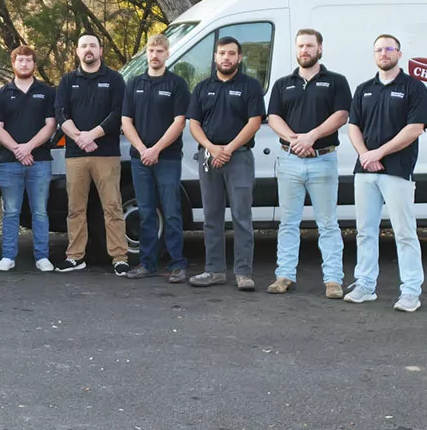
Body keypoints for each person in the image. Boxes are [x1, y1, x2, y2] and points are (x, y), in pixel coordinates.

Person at [266, 29, 351, 298]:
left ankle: (333, 280)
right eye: (301, 46)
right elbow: (273, 117)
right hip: (289, 160)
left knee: (327, 223)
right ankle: (284, 276)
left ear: (320, 49)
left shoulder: (336, 81)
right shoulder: (283, 83)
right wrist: (295, 141)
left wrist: (311, 137)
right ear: (296, 49)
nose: (305, 50)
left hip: (323, 159)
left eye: (310, 46)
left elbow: (342, 115)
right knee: (288, 223)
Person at [345, 34, 427, 312]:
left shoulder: (414, 88)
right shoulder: (364, 88)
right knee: (365, 232)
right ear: (374, 55)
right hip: (365, 170)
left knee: (404, 233)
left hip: (397, 171)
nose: (384, 53)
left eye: (389, 49)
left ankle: (411, 291)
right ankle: (365, 285)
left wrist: (378, 154)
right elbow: (353, 126)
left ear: (399, 54)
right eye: (379, 49)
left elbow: (414, 129)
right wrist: (365, 155)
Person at [186, 36, 265, 291]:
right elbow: (194, 123)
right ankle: (214, 270)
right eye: (222, 53)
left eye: (232, 53)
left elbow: (254, 121)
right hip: (209, 157)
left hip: (239, 157)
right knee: (212, 217)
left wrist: (228, 149)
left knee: (242, 216)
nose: (226, 58)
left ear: (239, 58)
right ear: (215, 57)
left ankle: (244, 273)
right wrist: (212, 148)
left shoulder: (250, 86)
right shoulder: (202, 87)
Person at [120, 33, 191, 284]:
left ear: (167, 54)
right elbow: (126, 121)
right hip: (140, 159)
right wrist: (142, 150)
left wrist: (156, 150)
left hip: (168, 158)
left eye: (160, 51)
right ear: (146, 53)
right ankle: (147, 264)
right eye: (151, 50)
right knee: (146, 211)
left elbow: (179, 122)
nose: (155, 55)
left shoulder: (177, 84)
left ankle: (177, 264)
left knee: (171, 211)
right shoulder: (134, 83)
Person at [53, 34, 127, 274]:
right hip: (75, 155)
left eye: (92, 46)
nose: (88, 50)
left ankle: (119, 257)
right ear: (77, 51)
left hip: (106, 154)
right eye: (84, 46)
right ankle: (75, 256)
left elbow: (118, 113)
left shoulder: (114, 79)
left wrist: (92, 136)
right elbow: (60, 113)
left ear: (100, 50)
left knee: (113, 207)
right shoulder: (68, 80)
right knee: (75, 208)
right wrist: (80, 138)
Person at [0, 45, 57, 272]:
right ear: (13, 63)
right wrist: (17, 150)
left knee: (40, 211)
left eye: (28, 60)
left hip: (40, 161)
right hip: (9, 162)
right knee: (11, 212)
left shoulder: (47, 92)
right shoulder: (1, 94)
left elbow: (51, 125)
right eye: (20, 60)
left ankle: (42, 257)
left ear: (34, 64)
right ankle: (8, 256)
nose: (25, 64)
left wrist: (28, 147)